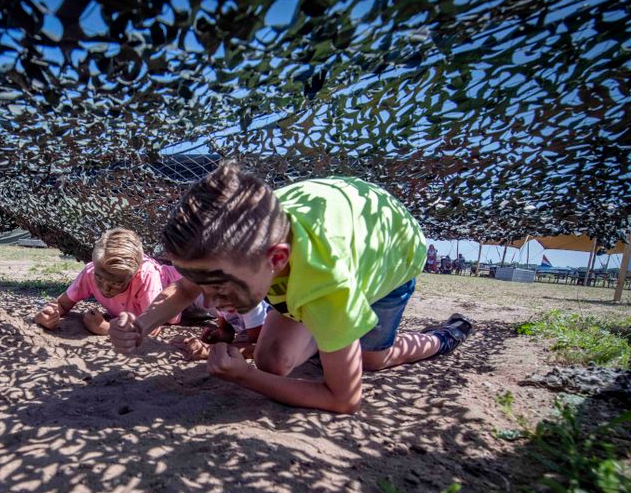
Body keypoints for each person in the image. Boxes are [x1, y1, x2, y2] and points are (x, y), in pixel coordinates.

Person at [109, 162, 473, 414]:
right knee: (273, 361)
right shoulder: (238, 249)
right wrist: (142, 323)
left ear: (277, 259)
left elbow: (345, 400)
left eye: (219, 286)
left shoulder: (327, 285)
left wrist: (246, 376)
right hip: (340, 230)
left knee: (372, 360)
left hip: (396, 252)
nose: (207, 300)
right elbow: (187, 289)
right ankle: (329, 339)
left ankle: (444, 336)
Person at [35, 228, 181, 335]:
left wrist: (104, 327)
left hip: (190, 296)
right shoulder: (91, 272)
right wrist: (47, 315)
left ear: (133, 274)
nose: (105, 288)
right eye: (99, 278)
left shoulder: (146, 275)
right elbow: (62, 303)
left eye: (116, 283)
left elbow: (153, 326)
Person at [172, 299, 272, 361]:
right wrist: (217, 336)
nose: (207, 303)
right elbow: (227, 332)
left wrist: (211, 350)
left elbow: (257, 348)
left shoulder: (251, 306)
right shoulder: (222, 304)